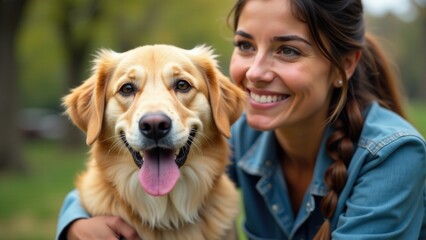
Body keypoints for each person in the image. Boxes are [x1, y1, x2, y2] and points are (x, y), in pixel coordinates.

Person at [56, 0, 426, 239]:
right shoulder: (237, 130)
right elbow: (103, 182)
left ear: (344, 66)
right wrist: (73, 224)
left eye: (288, 50)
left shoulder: (394, 157)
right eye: (246, 46)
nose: (256, 72)